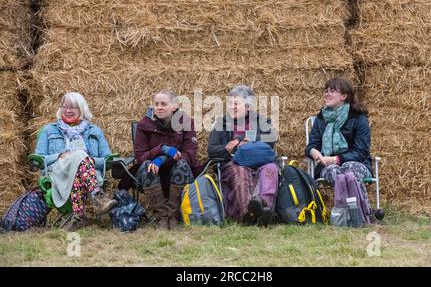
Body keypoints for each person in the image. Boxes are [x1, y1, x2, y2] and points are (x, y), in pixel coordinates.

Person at [35, 92, 117, 231]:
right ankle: (97, 196)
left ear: (82, 109)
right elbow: (39, 158)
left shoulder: (94, 131)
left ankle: (78, 218)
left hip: (87, 173)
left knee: (80, 162)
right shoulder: (49, 130)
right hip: (59, 173)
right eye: (65, 106)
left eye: (73, 107)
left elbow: (108, 160)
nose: (68, 110)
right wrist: (59, 155)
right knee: (79, 153)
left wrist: (89, 160)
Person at [208, 85, 279, 227]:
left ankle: (265, 208)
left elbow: (271, 138)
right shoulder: (221, 123)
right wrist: (228, 149)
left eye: (236, 104)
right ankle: (246, 213)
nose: (232, 107)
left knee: (271, 168)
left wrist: (245, 140)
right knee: (240, 171)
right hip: (233, 163)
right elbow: (212, 150)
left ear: (248, 106)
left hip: (260, 162)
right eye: (229, 104)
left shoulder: (261, 120)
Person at [131, 90, 202, 230]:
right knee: (147, 165)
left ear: (174, 106)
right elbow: (140, 156)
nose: (159, 107)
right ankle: (162, 216)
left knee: (182, 163)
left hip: (178, 173)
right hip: (152, 176)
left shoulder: (186, 122)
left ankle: (173, 215)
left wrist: (162, 159)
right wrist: (162, 149)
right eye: (156, 104)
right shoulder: (144, 124)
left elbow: (189, 153)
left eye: (163, 104)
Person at [305, 78, 374, 214]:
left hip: (358, 163)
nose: (327, 94)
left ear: (344, 96)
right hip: (327, 165)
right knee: (336, 172)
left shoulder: (358, 118)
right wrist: (314, 152)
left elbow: (361, 152)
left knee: (349, 169)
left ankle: (354, 213)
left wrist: (336, 159)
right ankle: (361, 213)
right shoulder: (321, 118)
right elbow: (312, 145)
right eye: (326, 91)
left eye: (332, 91)